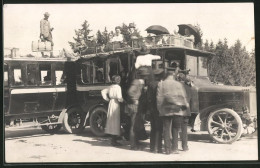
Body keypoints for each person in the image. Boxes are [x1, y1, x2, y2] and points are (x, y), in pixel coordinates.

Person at [157, 68, 189, 154]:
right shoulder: (178, 84)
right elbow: (184, 97)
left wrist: (159, 109)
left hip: (165, 109)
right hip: (177, 109)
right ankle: (175, 148)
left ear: (166, 74)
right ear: (173, 74)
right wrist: (185, 105)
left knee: (166, 129)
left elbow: (159, 98)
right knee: (175, 129)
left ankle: (167, 150)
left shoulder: (161, 84)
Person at [127, 67, 149, 150]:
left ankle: (136, 142)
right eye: (145, 75)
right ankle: (133, 145)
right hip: (134, 106)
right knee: (133, 126)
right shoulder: (136, 82)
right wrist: (134, 99)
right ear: (143, 75)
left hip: (138, 107)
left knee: (137, 125)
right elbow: (130, 91)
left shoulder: (140, 82)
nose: (146, 77)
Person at [101, 75, 124, 146]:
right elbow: (119, 97)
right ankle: (114, 140)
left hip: (111, 103)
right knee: (116, 121)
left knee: (111, 121)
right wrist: (123, 101)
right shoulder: (118, 87)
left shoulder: (110, 87)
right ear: (118, 81)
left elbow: (103, 91)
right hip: (116, 104)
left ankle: (113, 138)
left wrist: (107, 99)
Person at [147, 68, 164, 153]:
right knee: (159, 128)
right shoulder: (160, 84)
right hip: (158, 109)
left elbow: (148, 97)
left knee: (153, 128)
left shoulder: (150, 84)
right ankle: (158, 148)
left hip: (151, 108)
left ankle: (152, 147)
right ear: (160, 76)